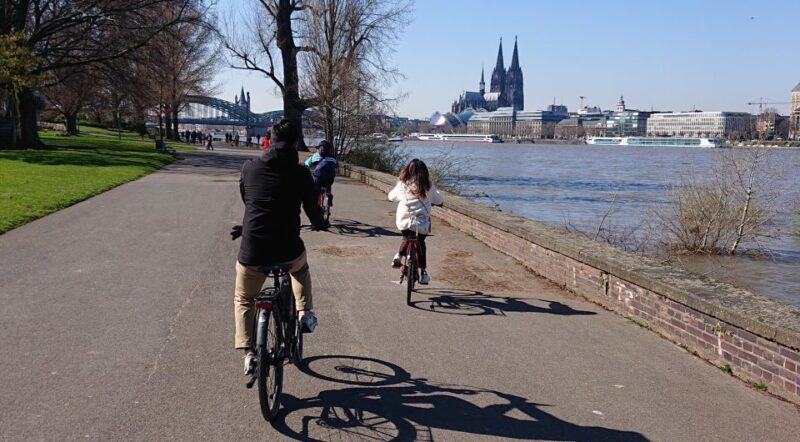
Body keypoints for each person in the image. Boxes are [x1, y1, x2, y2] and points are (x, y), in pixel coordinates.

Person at [233, 118, 327, 375]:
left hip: (253, 248)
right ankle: (304, 312)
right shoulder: (300, 173)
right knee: (300, 267)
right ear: (295, 143)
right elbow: (312, 209)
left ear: (270, 140)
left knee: (244, 298)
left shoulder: (249, 167)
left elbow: (249, 199)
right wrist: (320, 224)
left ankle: (249, 352)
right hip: (287, 248)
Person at [388, 159, 444, 285]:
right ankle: (423, 272)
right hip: (421, 223)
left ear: (408, 169)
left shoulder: (403, 183)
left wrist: (401, 198)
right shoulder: (428, 185)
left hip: (404, 220)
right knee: (420, 243)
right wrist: (437, 202)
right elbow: (439, 199)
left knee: (406, 237)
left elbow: (391, 196)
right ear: (424, 171)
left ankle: (398, 255)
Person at [310, 140, 337, 206]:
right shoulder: (333, 157)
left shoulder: (316, 155)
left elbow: (310, 164)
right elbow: (336, 165)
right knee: (328, 184)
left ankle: (316, 203)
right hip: (330, 175)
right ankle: (328, 193)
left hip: (319, 175)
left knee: (316, 186)